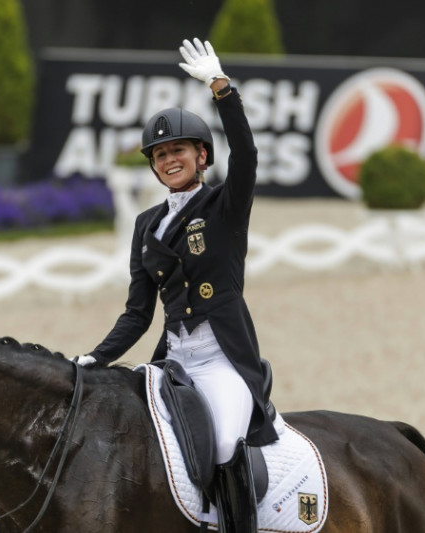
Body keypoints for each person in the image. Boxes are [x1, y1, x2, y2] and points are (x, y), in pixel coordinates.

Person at [77, 38, 276, 533]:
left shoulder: (225, 208)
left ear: (201, 155)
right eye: (160, 153)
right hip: (174, 361)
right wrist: (96, 358)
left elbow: (247, 153)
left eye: (179, 150)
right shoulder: (146, 225)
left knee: (227, 442)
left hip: (224, 358)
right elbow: (137, 314)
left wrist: (221, 88)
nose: (169, 159)